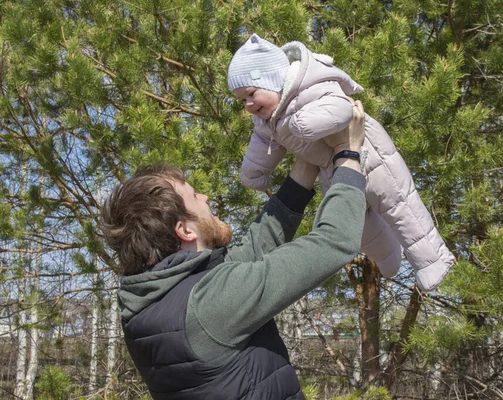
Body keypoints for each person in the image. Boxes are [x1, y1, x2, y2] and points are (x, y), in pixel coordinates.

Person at [100, 102, 367, 399]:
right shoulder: (208, 305)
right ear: (185, 230)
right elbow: (335, 241)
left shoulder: (149, 306)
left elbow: (254, 246)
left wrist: (308, 161)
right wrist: (348, 152)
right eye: (194, 196)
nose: (205, 196)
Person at [228, 33, 455, 291]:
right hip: (335, 170)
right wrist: (253, 174)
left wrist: (303, 125)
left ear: (271, 80)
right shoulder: (269, 120)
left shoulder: (310, 86)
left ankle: (433, 261)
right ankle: (390, 254)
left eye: (250, 94)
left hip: (371, 156)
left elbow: (342, 109)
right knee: (358, 229)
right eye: (241, 101)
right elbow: (260, 146)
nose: (247, 105)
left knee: (400, 206)